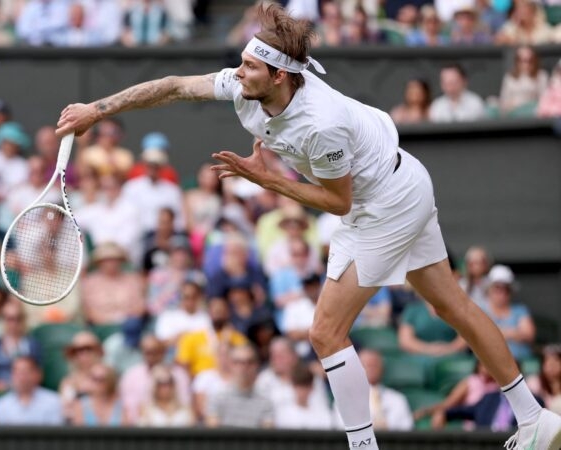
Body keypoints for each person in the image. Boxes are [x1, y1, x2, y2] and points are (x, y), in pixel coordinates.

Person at [56, 4, 561, 447]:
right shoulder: (250, 83)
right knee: (451, 303)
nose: (238, 72)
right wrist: (97, 110)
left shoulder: (320, 124)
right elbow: (171, 87)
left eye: (250, 66)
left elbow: (338, 204)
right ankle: (534, 417)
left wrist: (265, 180)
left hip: (383, 203)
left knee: (325, 332)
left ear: (279, 76)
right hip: (400, 182)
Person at [204, 344, 274, 428]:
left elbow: (267, 433)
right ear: (230, 365)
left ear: (256, 365)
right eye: (238, 362)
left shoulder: (265, 399)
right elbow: (213, 430)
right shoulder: (217, 396)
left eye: (249, 362)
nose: (244, 367)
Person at [0, 356, 63, 425]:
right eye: (17, 372)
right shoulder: (2, 404)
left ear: (37, 374)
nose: (21, 377)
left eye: (25, 372)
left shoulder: (54, 401)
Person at [498, 46, 548, 117]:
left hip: (531, 112)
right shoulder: (509, 77)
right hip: (512, 113)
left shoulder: (541, 76)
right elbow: (504, 99)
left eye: (529, 60)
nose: (525, 64)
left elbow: (544, 100)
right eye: (521, 60)